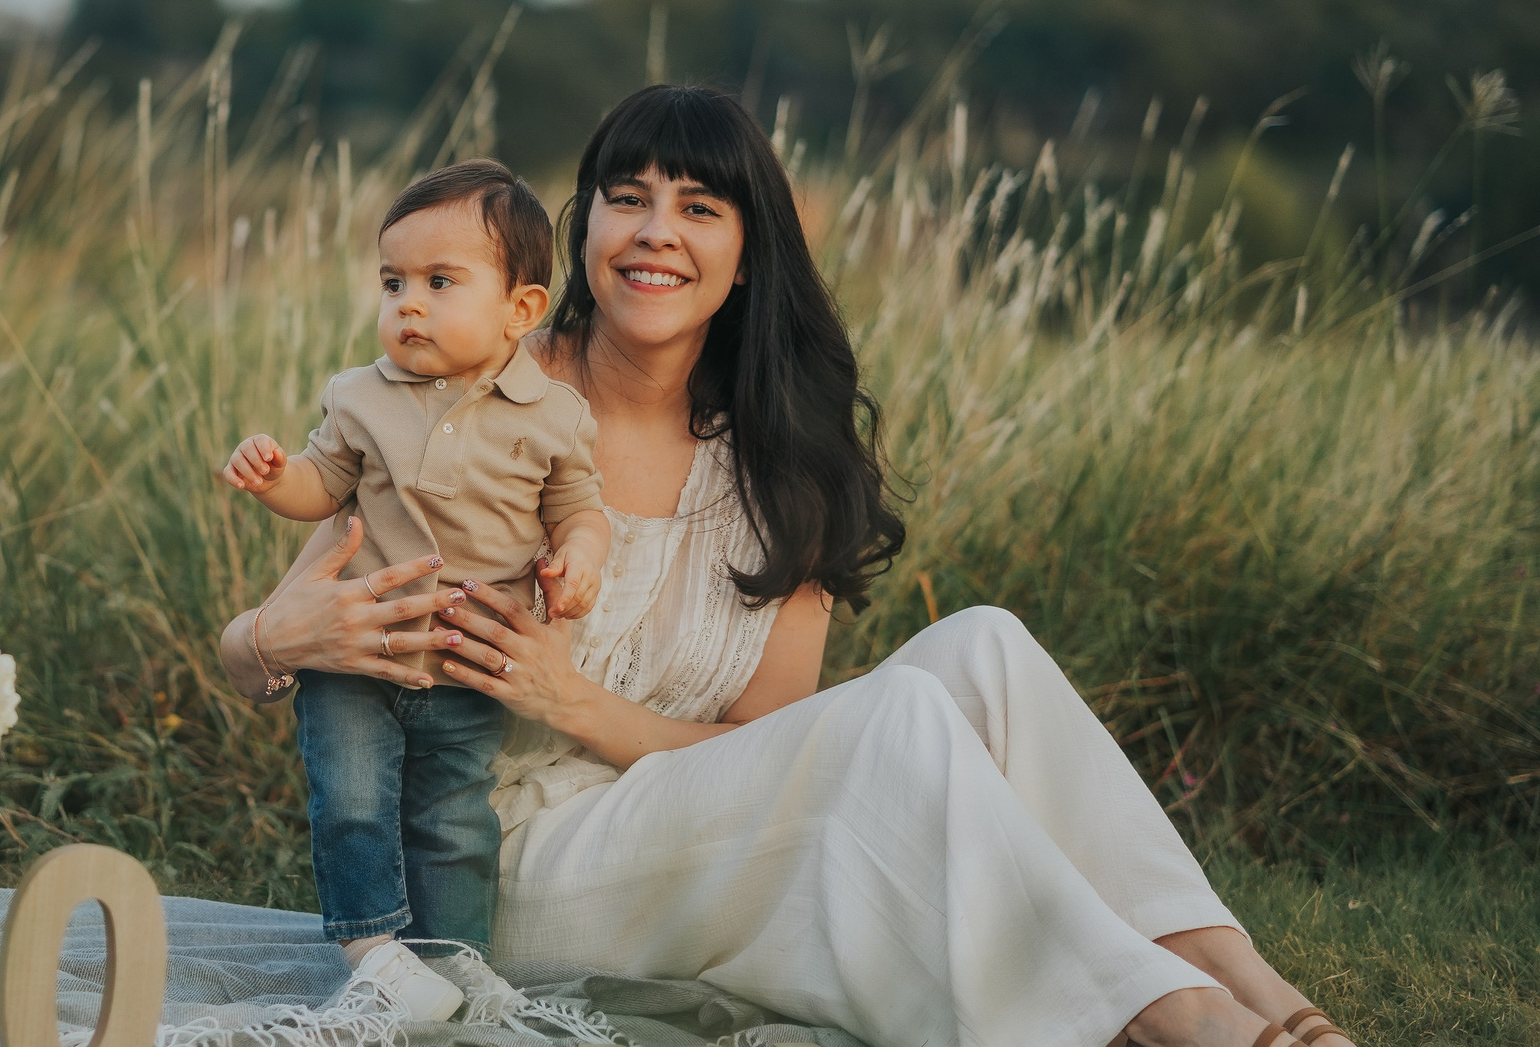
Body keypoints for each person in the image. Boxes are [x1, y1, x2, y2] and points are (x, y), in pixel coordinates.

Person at [218, 85, 1357, 1047]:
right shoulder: (479, 398)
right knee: (894, 715)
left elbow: (761, 743)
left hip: (688, 824)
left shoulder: (779, 462)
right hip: (495, 857)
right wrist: (274, 639)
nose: (655, 232)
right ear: (582, 232)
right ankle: (1171, 1019)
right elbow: (264, 632)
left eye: (698, 207)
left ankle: (1250, 987)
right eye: (627, 198)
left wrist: (574, 701)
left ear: (746, 253)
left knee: (987, 648)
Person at [220, 160, 611, 1022]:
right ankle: (373, 951)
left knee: (454, 818)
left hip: (465, 662)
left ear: (521, 308)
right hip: (354, 656)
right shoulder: (359, 395)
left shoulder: (553, 414)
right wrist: (277, 475)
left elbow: (579, 508)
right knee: (352, 800)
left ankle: (456, 959)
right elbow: (321, 484)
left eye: (440, 282)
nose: (409, 304)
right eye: (393, 281)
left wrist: (579, 559)